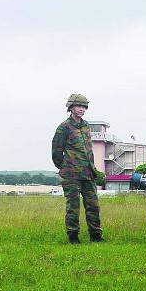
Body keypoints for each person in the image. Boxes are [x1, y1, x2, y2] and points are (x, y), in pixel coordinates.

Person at [52, 94, 103, 244]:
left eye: (84, 107)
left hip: (88, 173)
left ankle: (96, 236)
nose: (81, 109)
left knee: (93, 206)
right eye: (78, 106)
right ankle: (73, 236)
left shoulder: (86, 125)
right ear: (71, 107)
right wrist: (65, 167)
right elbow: (56, 151)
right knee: (73, 207)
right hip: (71, 174)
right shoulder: (64, 127)